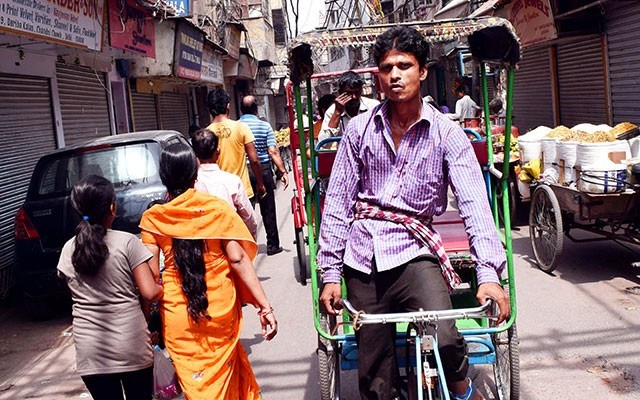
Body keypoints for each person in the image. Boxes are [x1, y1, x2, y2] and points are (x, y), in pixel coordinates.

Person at [317, 26, 509, 400]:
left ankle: (461, 387)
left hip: (414, 251)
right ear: (378, 75)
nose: (395, 75)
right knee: (374, 376)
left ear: (422, 71)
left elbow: (473, 204)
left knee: (447, 336)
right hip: (363, 256)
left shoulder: (446, 134)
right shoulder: (357, 131)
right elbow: (338, 203)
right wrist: (329, 273)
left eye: (404, 65)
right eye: (387, 67)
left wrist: (488, 274)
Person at [139, 143, 277, 400]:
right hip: (220, 307)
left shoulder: (153, 218)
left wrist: (146, 319)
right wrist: (264, 306)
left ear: (164, 177)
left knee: (197, 387)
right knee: (227, 376)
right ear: (195, 173)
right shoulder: (217, 209)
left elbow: (149, 278)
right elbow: (237, 260)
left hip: (177, 313)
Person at [57, 175, 163, 400]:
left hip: (91, 352)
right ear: (112, 207)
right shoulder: (127, 242)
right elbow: (150, 292)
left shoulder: (69, 249)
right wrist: (164, 288)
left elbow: (72, 290)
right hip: (131, 345)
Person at [239, 95, 289, 256]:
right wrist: (282, 171)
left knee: (245, 210)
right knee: (268, 209)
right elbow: (273, 151)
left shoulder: (236, 127)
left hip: (243, 172)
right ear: (256, 109)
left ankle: (245, 247)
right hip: (264, 169)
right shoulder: (264, 126)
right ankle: (272, 245)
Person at [192, 128, 258, 238]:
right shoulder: (232, 181)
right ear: (218, 151)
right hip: (231, 240)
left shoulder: (191, 184)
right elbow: (248, 217)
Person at [205, 87, 266, 202]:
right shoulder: (241, 127)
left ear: (209, 109)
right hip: (242, 192)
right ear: (228, 106)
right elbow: (254, 160)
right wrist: (260, 183)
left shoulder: (206, 134)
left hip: (219, 195)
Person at [318, 70, 380, 143]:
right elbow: (324, 143)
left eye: (357, 92)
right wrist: (337, 113)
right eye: (349, 93)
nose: (354, 97)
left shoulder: (373, 106)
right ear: (340, 93)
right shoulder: (332, 112)